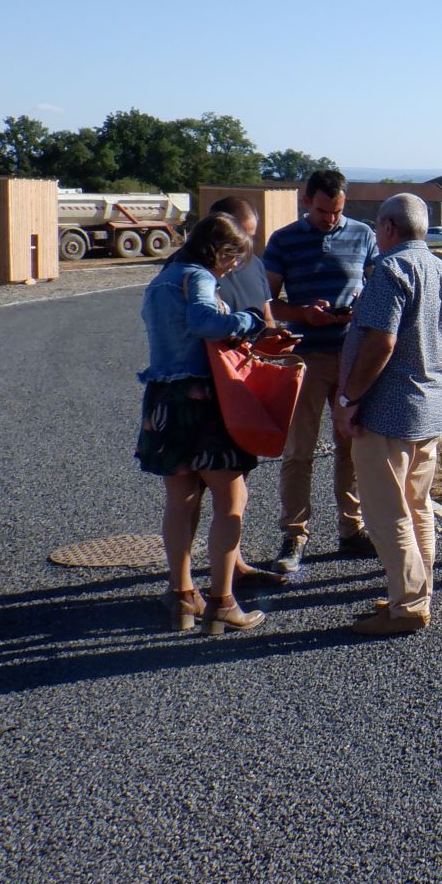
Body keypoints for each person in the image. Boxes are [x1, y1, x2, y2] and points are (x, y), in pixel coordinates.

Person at [334, 194, 442, 637]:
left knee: (387, 513)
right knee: (417, 507)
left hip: (387, 411)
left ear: (388, 227)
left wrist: (350, 398)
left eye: (376, 226)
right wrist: (437, 388)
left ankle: (407, 606)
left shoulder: (391, 270)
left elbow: (381, 343)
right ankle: (415, 592)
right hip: (428, 408)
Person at [136, 213, 269, 634]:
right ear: (221, 251)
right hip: (204, 399)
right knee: (231, 500)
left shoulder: (162, 278)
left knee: (181, 500)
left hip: (163, 398)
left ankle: (180, 597)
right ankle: (222, 601)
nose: (232, 268)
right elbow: (204, 323)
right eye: (233, 259)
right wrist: (250, 320)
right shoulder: (198, 276)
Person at [262, 169, 378, 572]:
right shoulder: (283, 241)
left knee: (351, 444)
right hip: (305, 358)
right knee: (299, 450)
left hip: (351, 357)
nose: (331, 218)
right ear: (306, 201)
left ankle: (352, 529)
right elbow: (268, 303)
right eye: (323, 210)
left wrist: (359, 310)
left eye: (338, 211)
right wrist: (303, 314)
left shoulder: (363, 235)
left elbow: (377, 285)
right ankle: (294, 535)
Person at [206, 195, 273, 319]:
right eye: (240, 237)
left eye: (250, 237)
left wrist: (276, 336)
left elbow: (267, 318)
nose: (245, 245)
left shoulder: (255, 263)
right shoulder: (190, 269)